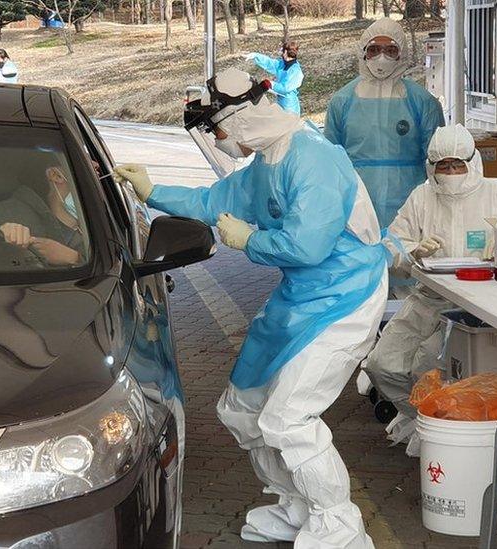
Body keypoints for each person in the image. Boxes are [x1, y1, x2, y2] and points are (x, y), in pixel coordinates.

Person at [116, 67, 389, 549]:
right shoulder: (268, 160)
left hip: (347, 295)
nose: (219, 140)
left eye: (218, 129)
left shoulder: (315, 159)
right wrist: (152, 191)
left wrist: (251, 240)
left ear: (242, 117)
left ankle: (339, 524)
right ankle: (295, 504)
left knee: (289, 418)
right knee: (242, 408)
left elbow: (308, 247)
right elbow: (215, 198)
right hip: (300, 295)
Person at [363, 124, 497, 455]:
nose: (451, 172)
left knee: (427, 367)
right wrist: (413, 250)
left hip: (480, 305)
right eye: (443, 166)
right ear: (431, 166)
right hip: (428, 298)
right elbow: (390, 243)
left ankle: (443, 432)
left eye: (457, 165)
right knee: (381, 364)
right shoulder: (422, 196)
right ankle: (423, 419)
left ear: (472, 163)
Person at [324, 17, 445, 231]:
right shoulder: (342, 101)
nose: (381, 58)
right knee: (362, 259)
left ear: (402, 54)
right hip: (357, 204)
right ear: (363, 52)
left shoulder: (422, 102)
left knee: (407, 257)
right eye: (374, 49)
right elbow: (330, 160)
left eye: (390, 50)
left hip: (410, 204)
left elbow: (438, 158)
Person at [0, 165, 84, 266]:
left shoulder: (90, 226)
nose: (96, 165)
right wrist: (5, 237)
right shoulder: (10, 215)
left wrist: (74, 257)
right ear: (56, 175)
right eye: (87, 157)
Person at [245, 41, 304, 115]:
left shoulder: (296, 71)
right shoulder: (283, 64)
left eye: (282, 51)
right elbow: (270, 63)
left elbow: (285, 88)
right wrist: (255, 56)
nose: (281, 53)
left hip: (290, 108)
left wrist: (271, 84)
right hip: (280, 103)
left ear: (286, 52)